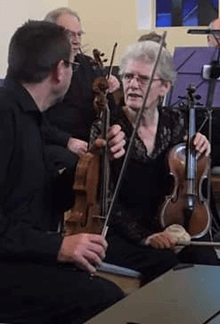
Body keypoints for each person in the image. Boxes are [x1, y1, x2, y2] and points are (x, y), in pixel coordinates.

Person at [0, 20, 125, 324]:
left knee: (101, 290)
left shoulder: (29, 116)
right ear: (59, 70)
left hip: (21, 255)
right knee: (106, 301)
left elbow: (37, 202)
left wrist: (93, 161)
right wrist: (57, 246)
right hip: (8, 266)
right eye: (72, 66)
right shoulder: (5, 116)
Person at [91, 41, 220, 285]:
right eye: (128, 76)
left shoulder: (175, 122)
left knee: (208, 263)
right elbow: (105, 200)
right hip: (122, 232)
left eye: (143, 78)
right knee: (167, 269)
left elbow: (188, 179)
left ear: (164, 87)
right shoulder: (107, 127)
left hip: (170, 226)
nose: (133, 84)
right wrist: (146, 237)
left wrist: (200, 149)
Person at [43, 7, 120, 168]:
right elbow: (33, 118)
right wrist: (67, 141)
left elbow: (111, 111)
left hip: (91, 145)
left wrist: (109, 90)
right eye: (70, 34)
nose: (76, 40)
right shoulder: (41, 69)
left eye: (79, 34)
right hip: (56, 145)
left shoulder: (89, 65)